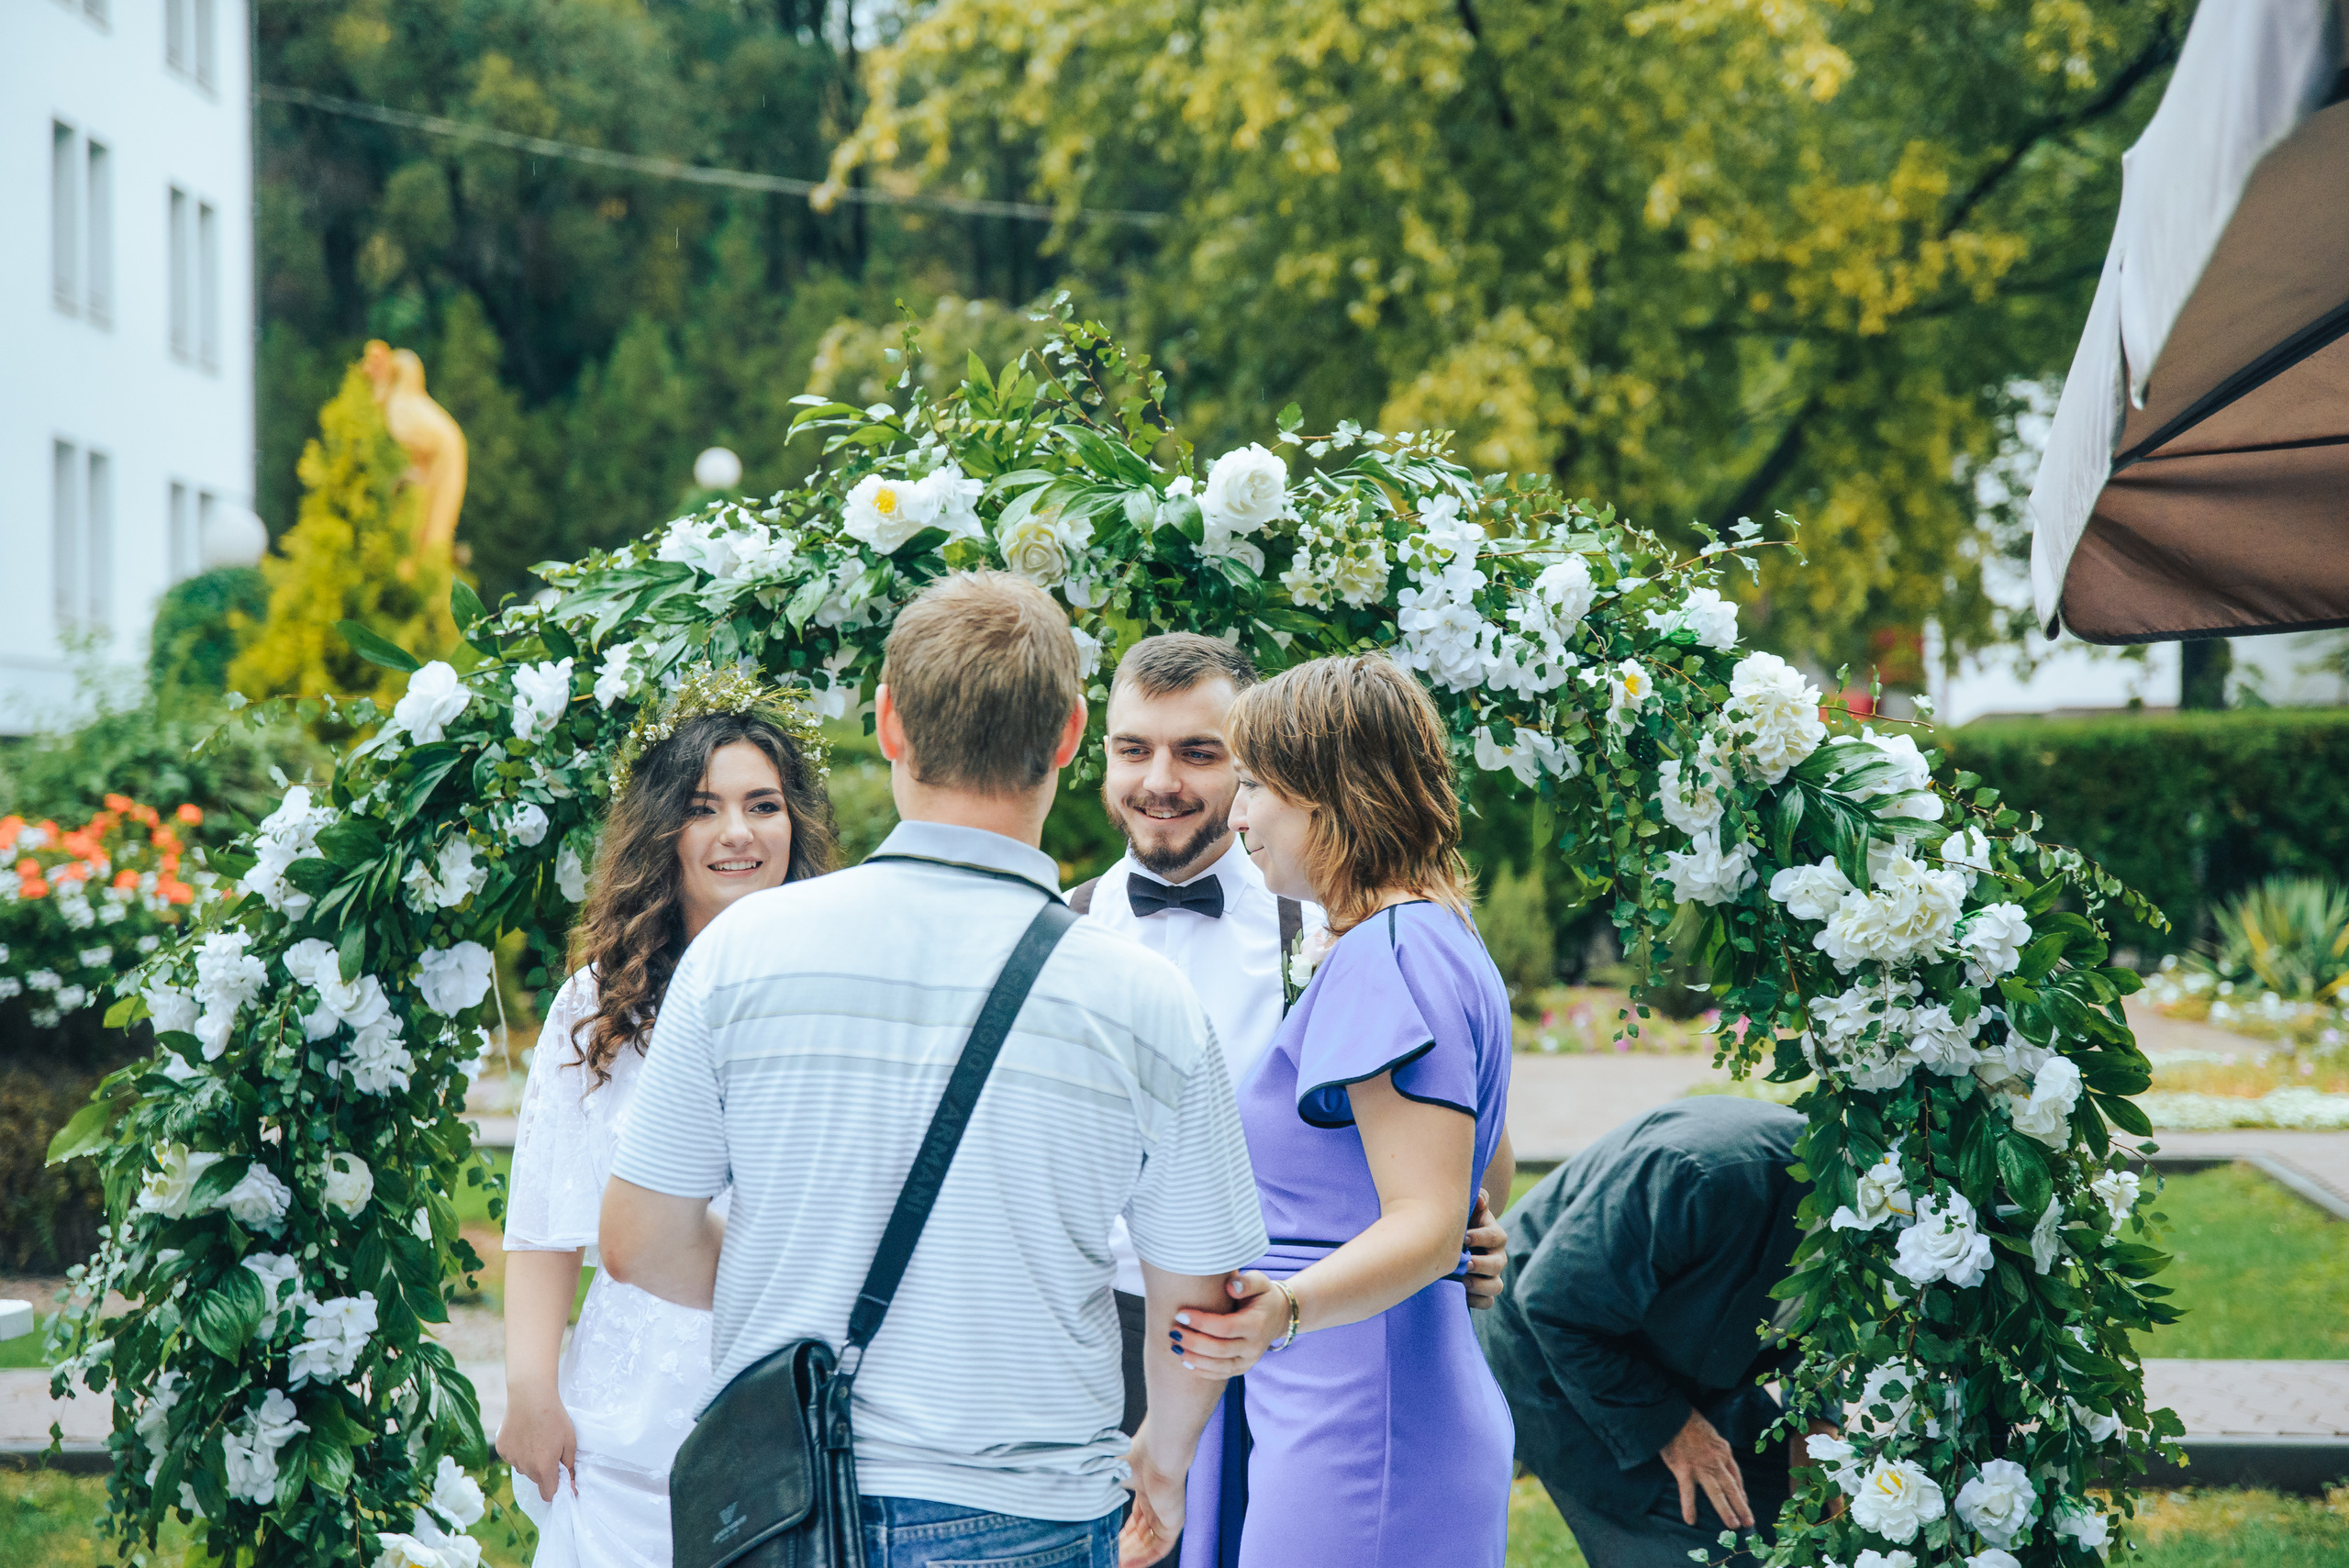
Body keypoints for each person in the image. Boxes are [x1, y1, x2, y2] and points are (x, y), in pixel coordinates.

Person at [598, 572, 1271, 1568]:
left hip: (781, 1502)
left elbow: (638, 1239)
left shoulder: (742, 952)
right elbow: (1199, 1297)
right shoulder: (1142, 997)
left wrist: (796, 1273)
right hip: (1030, 1508)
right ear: (1072, 734)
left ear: (888, 724)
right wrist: (1163, 1460)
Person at [1123, 654, 1517, 1568]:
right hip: (1374, 1387)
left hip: (1363, 1414)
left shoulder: (1387, 953)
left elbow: (1428, 1218)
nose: (1239, 811)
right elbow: (1478, 1185)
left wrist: (1285, 1306)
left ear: (1329, 794)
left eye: (1257, 784)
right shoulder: (1438, 932)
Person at [496, 678, 838, 1568]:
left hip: (794, 1391)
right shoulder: (595, 1004)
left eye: (763, 804)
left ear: (794, 822)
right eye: (704, 807)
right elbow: (542, 1217)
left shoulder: (840, 987)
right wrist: (532, 1386)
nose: (738, 831)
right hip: (628, 1408)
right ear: (664, 831)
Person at [1472, 1098, 1817, 1568]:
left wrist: (1816, 1423)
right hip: (1550, 1355)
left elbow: (1831, 1320)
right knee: (1712, 1553)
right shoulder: (1701, 1174)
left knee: (1806, 1535)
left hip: (1686, 1354)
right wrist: (1674, 1427)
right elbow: (1554, 1303)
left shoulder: (1890, 1223)